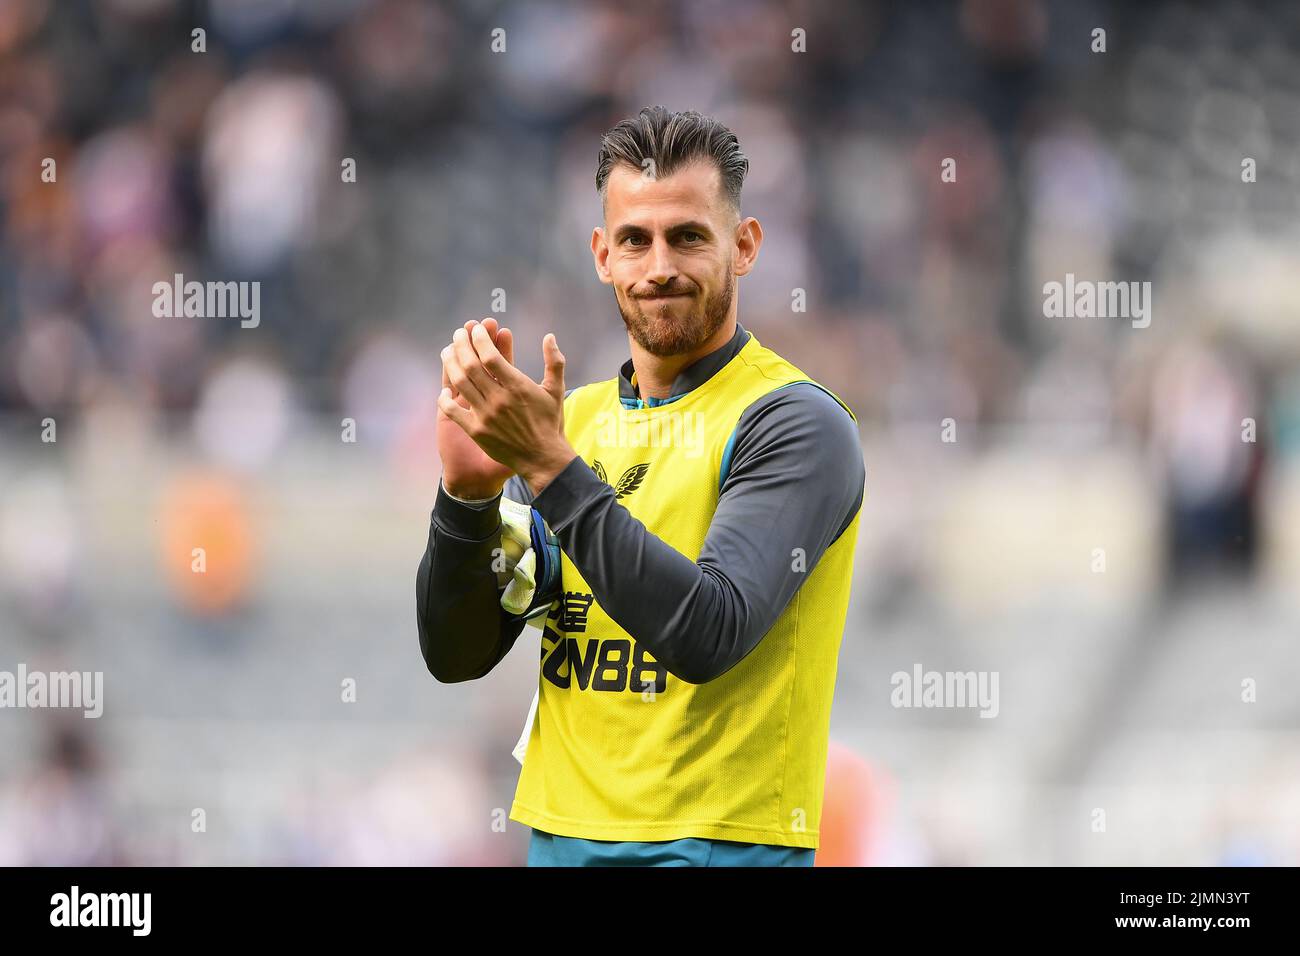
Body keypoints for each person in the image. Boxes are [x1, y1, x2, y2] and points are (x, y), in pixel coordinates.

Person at [416, 106, 865, 866]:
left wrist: (550, 468)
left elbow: (707, 630)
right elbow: (457, 655)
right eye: (635, 239)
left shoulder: (793, 422)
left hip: (720, 851)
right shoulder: (570, 422)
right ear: (601, 254)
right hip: (561, 843)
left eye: (688, 235)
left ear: (744, 245)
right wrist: (465, 501)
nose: (659, 266)